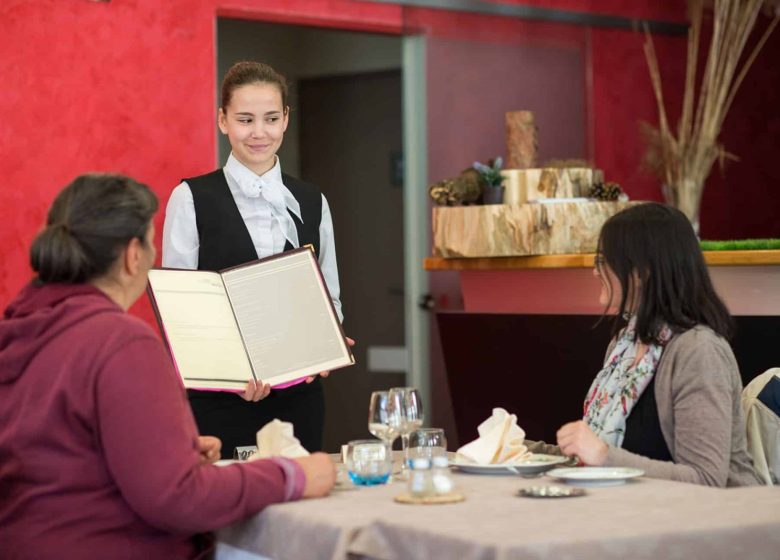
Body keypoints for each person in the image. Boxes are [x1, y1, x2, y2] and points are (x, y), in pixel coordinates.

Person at [0, 174, 336, 559]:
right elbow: (178, 498)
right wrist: (291, 474)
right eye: (151, 241)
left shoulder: (16, 331)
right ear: (132, 255)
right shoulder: (121, 343)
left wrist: (169, 451)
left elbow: (64, 457)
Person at [163, 61, 349, 457]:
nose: (259, 132)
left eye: (270, 118)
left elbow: (328, 296)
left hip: (300, 398)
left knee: (301, 508)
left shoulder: (313, 200)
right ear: (223, 120)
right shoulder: (191, 198)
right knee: (226, 510)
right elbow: (182, 310)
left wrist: (327, 341)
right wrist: (231, 374)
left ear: (285, 120)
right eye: (245, 119)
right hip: (222, 400)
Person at [531, 203, 760, 487]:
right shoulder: (624, 344)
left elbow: (706, 480)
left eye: (604, 260)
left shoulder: (698, 351)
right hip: (633, 514)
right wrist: (524, 450)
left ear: (643, 271)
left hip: (711, 524)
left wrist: (604, 457)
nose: (595, 272)